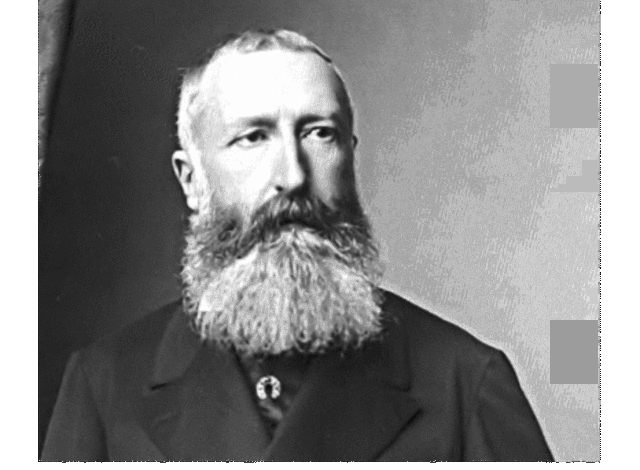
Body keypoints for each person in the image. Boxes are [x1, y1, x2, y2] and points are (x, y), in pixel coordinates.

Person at [40, 29, 554, 462]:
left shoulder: (466, 381)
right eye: (253, 137)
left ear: (350, 157)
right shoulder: (103, 384)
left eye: (319, 133)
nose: (292, 175)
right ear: (192, 180)